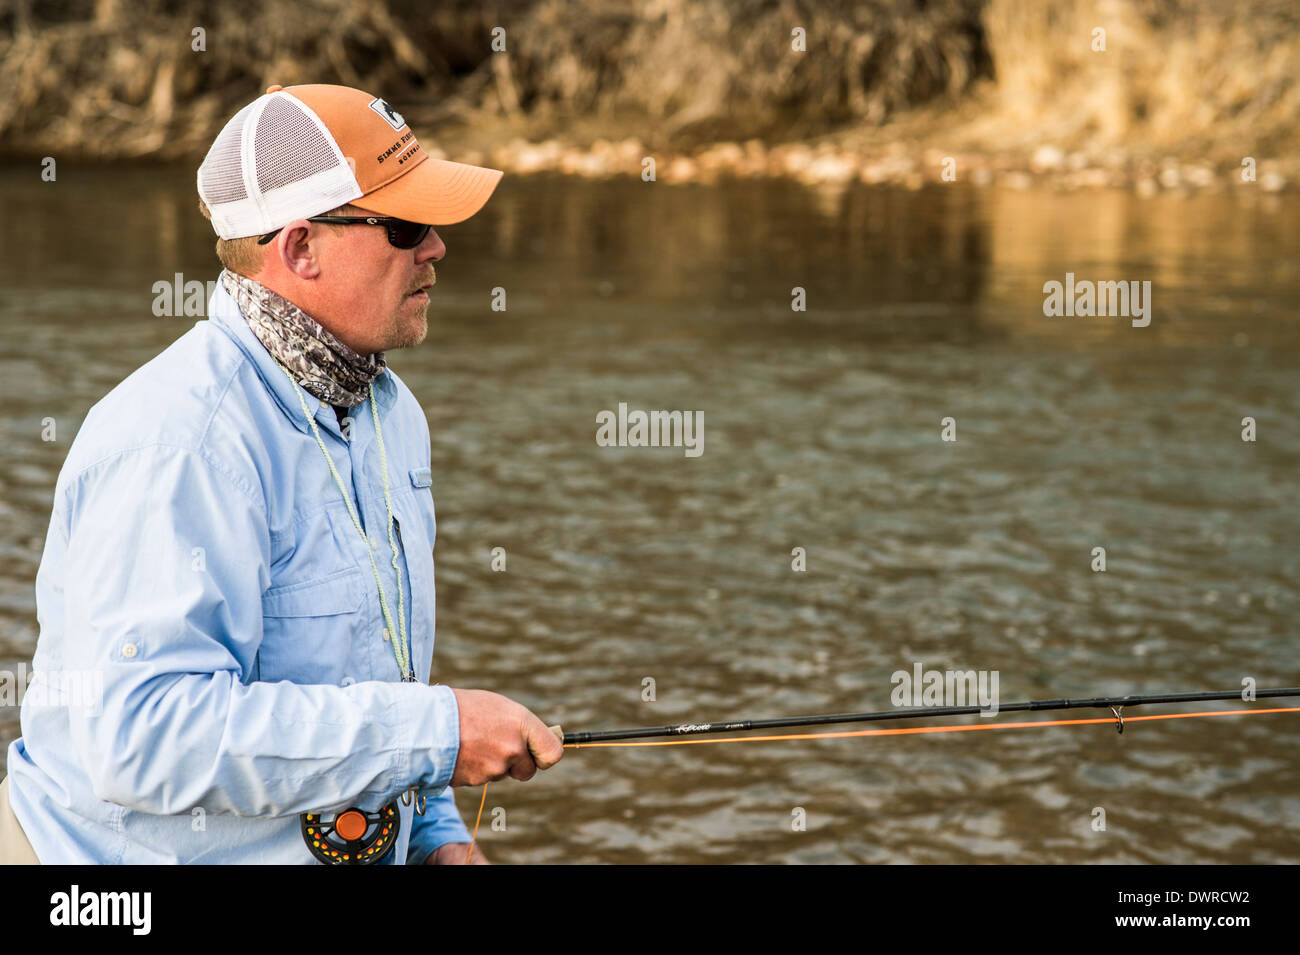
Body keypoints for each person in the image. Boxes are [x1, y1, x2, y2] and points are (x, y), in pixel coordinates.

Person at [0, 83, 563, 865]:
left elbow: (377, 669)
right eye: (406, 226)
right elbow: (142, 737)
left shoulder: (390, 411)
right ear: (300, 248)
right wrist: (440, 733)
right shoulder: (177, 443)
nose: (437, 247)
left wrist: (435, 832)